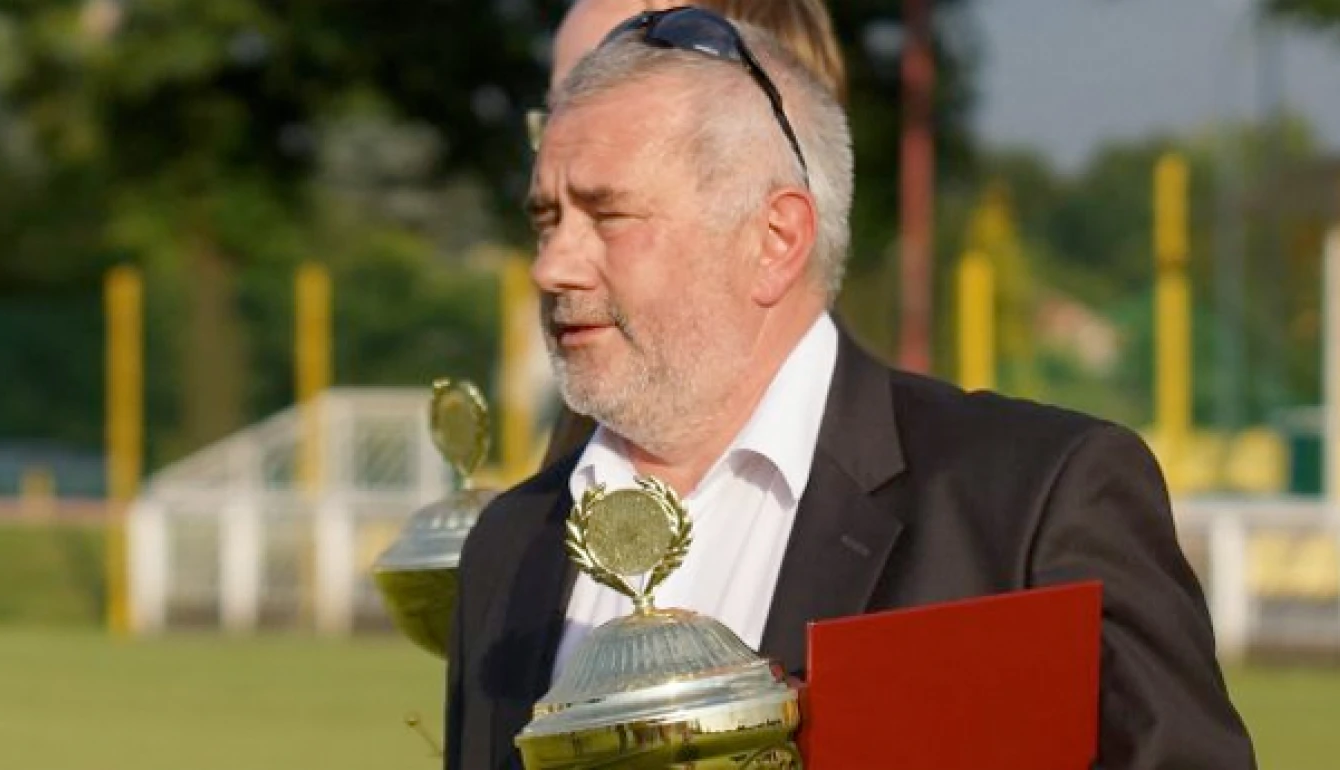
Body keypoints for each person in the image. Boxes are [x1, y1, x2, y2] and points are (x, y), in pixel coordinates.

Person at [446, 8, 1256, 770]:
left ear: (776, 239)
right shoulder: (509, 544)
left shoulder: (1032, 503)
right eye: (546, 220)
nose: (552, 265)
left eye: (607, 216)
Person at [539, 0, 849, 468]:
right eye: (556, 113)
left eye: (626, 88)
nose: (565, 144)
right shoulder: (577, 448)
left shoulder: (947, 475)